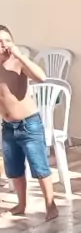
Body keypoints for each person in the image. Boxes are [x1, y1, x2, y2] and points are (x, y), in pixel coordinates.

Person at [0, 26, 58, 221]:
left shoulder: (18, 62)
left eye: (7, 40)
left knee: (39, 167)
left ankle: (50, 204)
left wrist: (20, 56)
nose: (4, 45)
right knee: (14, 169)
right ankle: (21, 204)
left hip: (29, 124)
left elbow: (41, 77)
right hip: (8, 127)